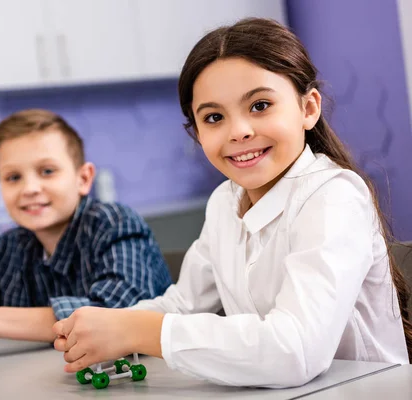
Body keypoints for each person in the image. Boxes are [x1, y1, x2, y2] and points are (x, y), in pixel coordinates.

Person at [53, 18, 412, 388]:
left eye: (260, 105)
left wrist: (142, 331)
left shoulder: (334, 197)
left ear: (308, 108)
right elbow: (182, 306)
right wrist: (108, 328)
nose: (239, 130)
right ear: (197, 132)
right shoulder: (225, 202)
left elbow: (296, 350)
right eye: (213, 117)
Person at [0, 109, 172, 355]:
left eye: (47, 171)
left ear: (84, 179)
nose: (30, 188)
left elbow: (123, 317)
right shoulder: (11, 246)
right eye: (13, 177)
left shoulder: (115, 223)